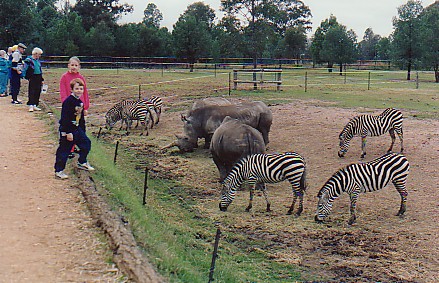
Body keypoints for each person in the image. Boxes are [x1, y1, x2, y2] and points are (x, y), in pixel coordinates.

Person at [54, 78, 94, 179]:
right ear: (72, 89)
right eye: (77, 88)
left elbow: (80, 119)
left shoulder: (80, 102)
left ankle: (82, 161)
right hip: (67, 129)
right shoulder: (68, 102)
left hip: (77, 129)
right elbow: (65, 118)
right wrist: (68, 132)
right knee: (64, 150)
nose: (79, 91)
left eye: (81, 89)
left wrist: (82, 131)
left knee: (86, 143)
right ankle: (59, 170)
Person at [23, 47, 44, 112]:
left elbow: (39, 69)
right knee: (32, 91)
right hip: (32, 77)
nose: (40, 56)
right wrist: (26, 77)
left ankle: (35, 104)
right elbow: (25, 69)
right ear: (36, 53)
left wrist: (42, 79)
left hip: (38, 77)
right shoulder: (28, 60)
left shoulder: (37, 61)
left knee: (38, 91)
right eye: (39, 54)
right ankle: (31, 105)